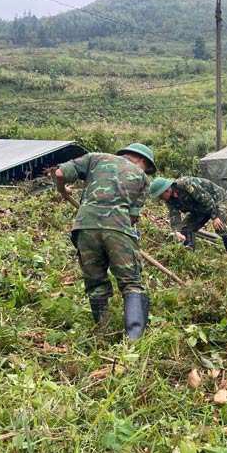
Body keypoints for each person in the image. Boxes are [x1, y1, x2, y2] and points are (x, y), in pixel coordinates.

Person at [54, 143, 156, 340]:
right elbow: (133, 217)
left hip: (85, 227)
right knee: (132, 282)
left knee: (96, 282)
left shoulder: (95, 158)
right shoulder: (142, 177)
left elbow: (60, 174)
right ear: (143, 161)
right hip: (118, 228)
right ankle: (134, 339)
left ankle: (103, 330)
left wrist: (62, 191)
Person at [148, 175, 227, 258]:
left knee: (219, 225)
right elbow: (174, 215)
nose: (160, 198)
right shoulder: (169, 200)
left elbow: (207, 199)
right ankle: (190, 254)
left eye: (160, 195)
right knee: (185, 229)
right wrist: (177, 230)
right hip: (199, 208)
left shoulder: (185, 185)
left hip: (217, 200)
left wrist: (215, 217)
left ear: (167, 190)